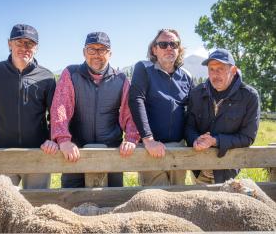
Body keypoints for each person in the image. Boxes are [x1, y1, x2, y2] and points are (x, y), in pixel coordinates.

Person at [50, 31, 140, 188]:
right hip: (75, 151)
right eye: (92, 49)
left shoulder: (120, 79)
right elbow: (61, 107)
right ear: (84, 52)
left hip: (112, 153)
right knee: (71, 201)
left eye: (102, 50)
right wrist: (64, 140)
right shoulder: (71, 74)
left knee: (112, 202)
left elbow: (130, 112)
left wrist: (131, 138)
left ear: (110, 54)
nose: (97, 54)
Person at [0, 24, 58, 189]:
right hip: (1, 154)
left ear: (36, 47)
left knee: (36, 207)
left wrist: (51, 139)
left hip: (38, 155)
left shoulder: (47, 77)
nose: (24, 48)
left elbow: (55, 115)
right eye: (19, 42)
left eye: (29, 43)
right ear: (9, 44)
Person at [129, 29, 194, 186]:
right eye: (163, 44)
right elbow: (136, 100)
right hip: (151, 147)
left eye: (174, 44)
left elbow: (194, 112)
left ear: (179, 49)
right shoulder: (143, 68)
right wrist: (148, 140)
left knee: (178, 197)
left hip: (179, 148)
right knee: (154, 199)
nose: (169, 48)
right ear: (154, 49)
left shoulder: (187, 76)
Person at [185, 48, 260, 183]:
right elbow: (189, 127)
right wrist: (195, 139)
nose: (215, 74)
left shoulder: (249, 96)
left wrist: (215, 141)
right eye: (211, 69)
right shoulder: (197, 93)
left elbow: (247, 137)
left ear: (233, 70)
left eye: (220, 69)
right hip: (199, 168)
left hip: (227, 171)